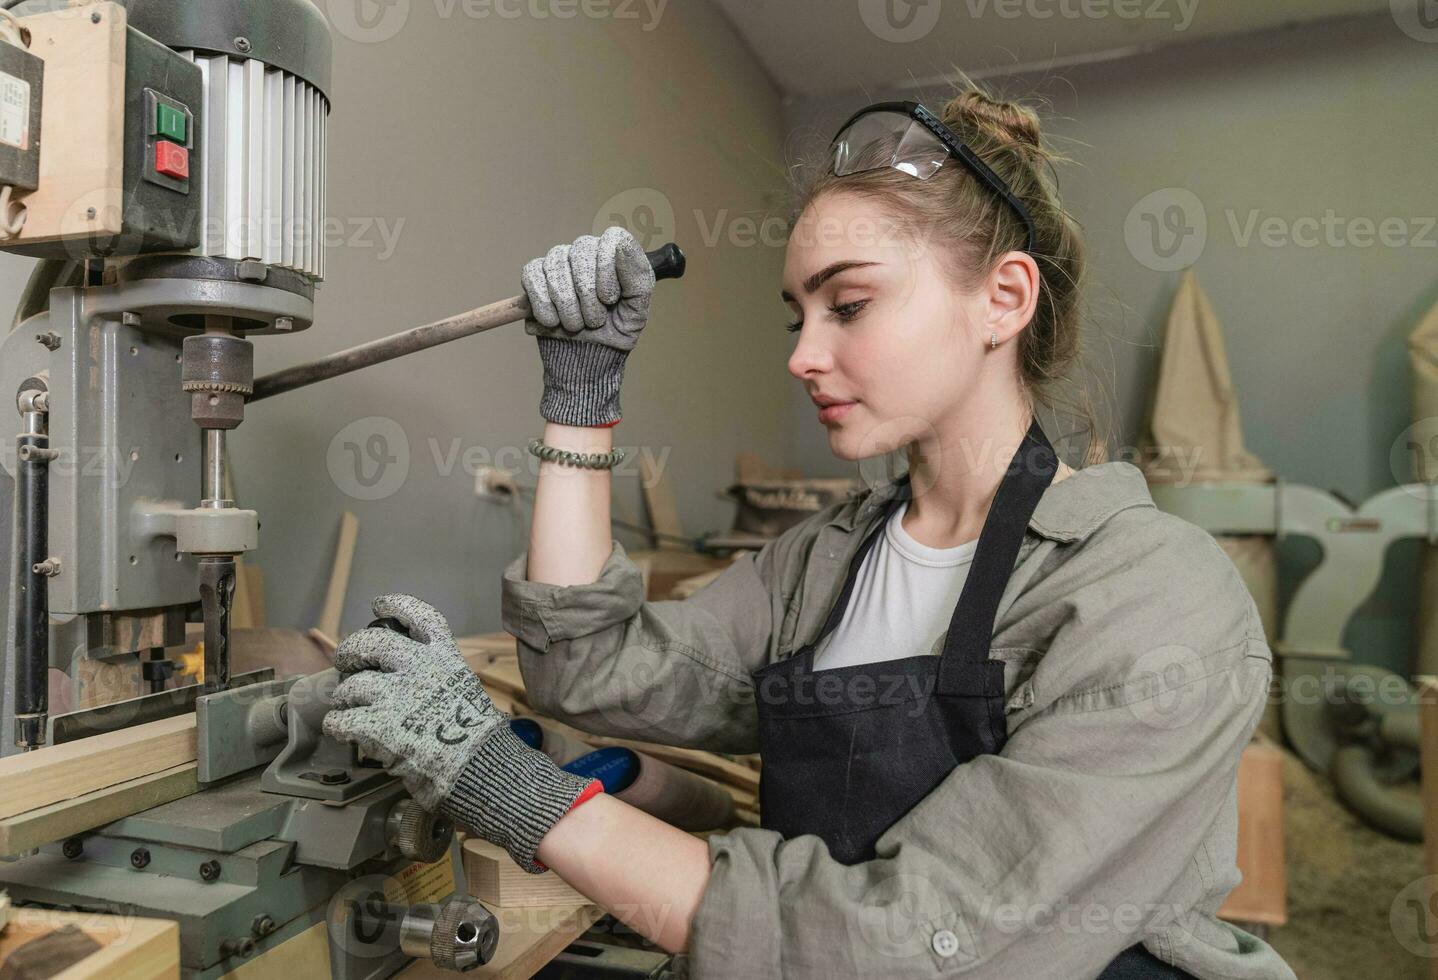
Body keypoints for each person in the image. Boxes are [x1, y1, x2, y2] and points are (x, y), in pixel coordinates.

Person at [322, 86, 1295, 979]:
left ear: (1004, 297)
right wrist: (581, 396)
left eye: (850, 304)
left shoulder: (1155, 595)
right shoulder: (825, 560)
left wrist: (509, 784)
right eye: (798, 314)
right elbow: (595, 668)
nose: (802, 355)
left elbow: (917, 940)